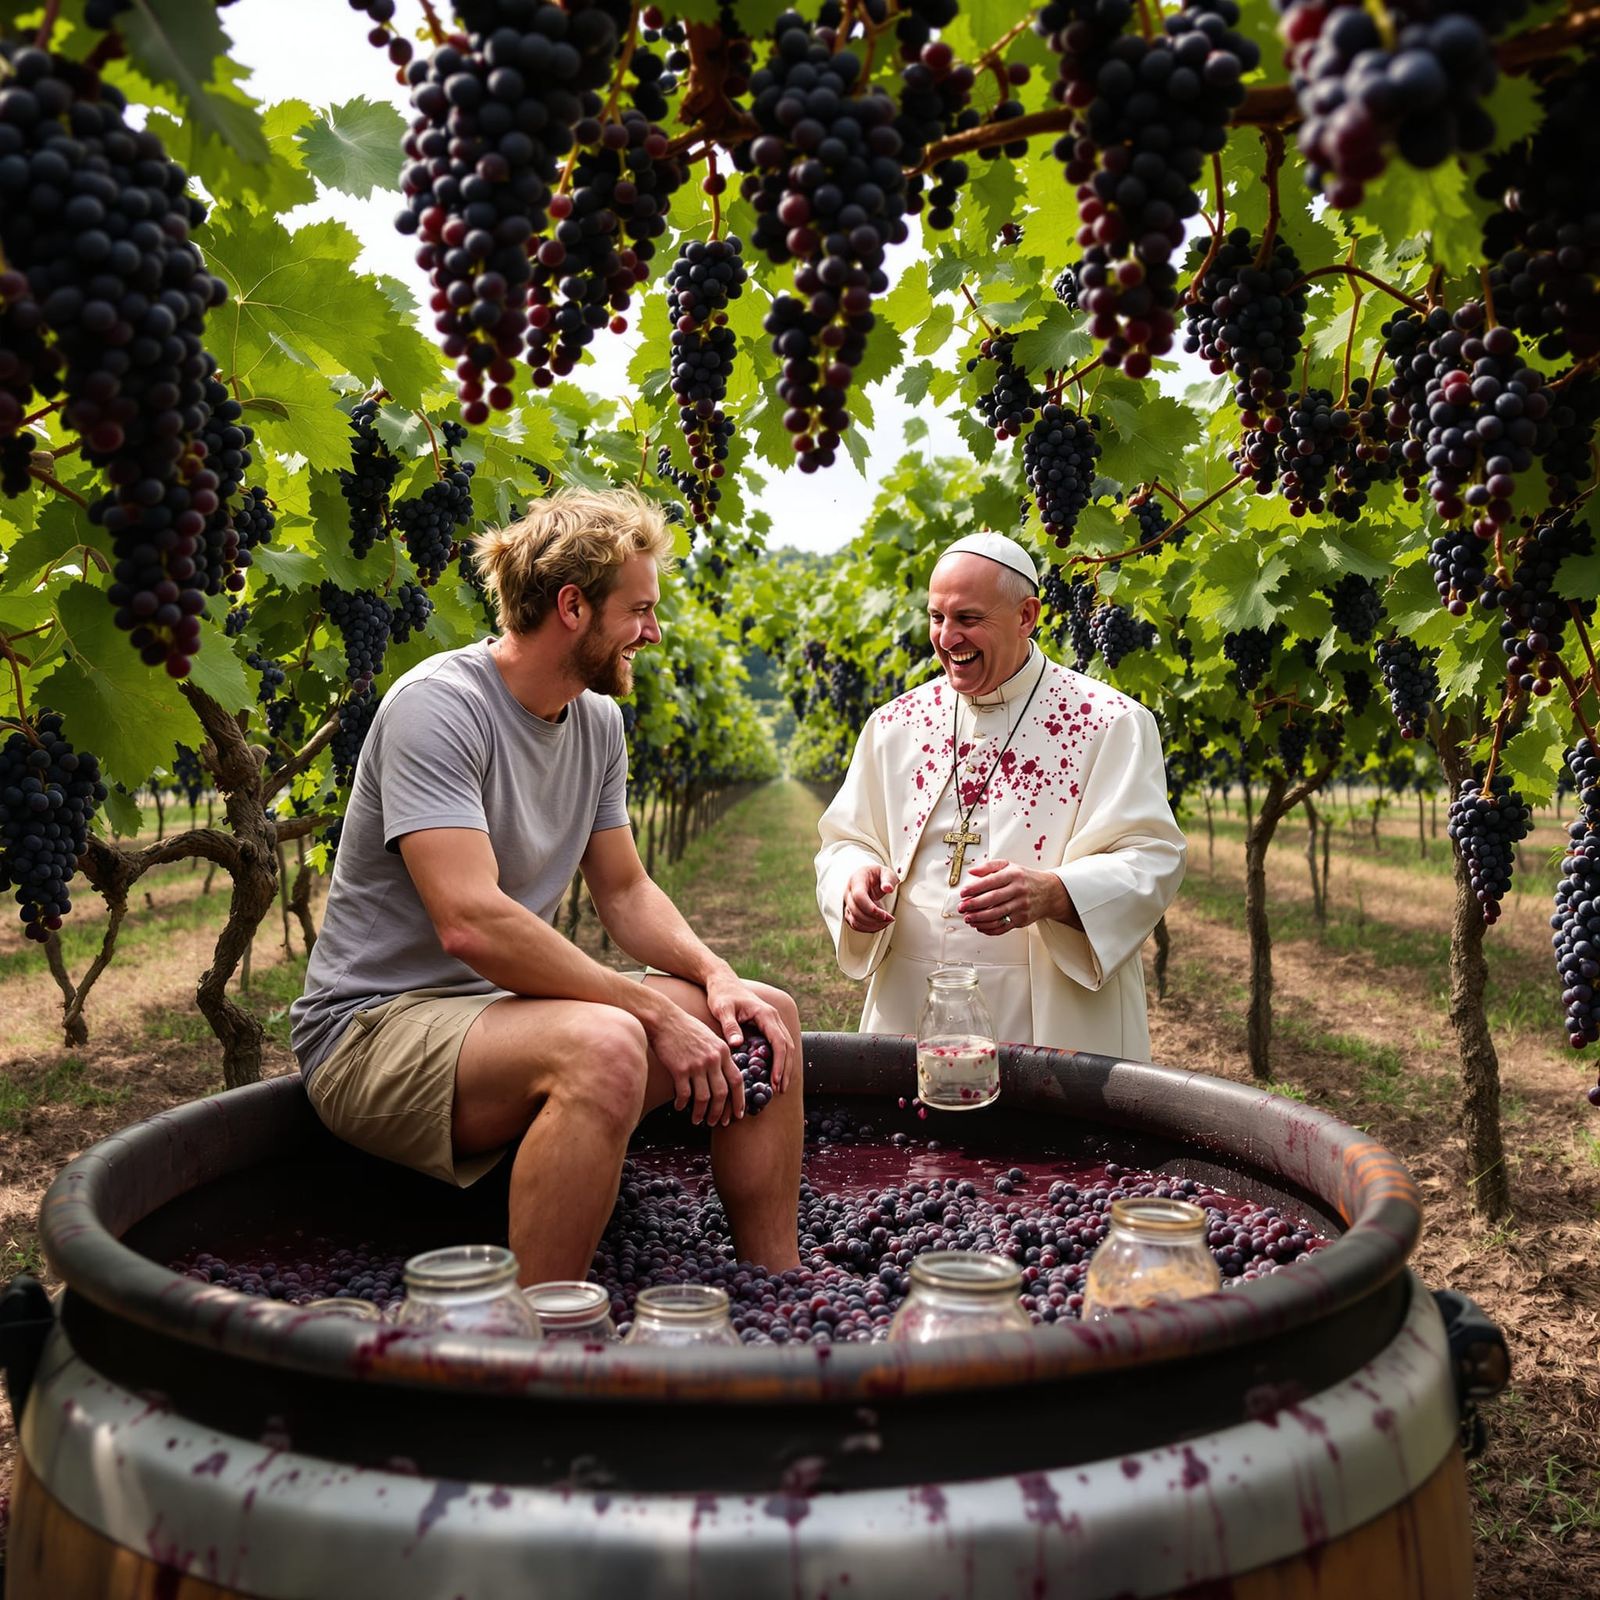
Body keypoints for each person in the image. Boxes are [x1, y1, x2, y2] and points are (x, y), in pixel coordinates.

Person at [290, 486, 803, 1284]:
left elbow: (626, 892)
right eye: (639, 609)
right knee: (605, 1045)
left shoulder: (596, 722)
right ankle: (534, 1344)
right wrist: (640, 1006)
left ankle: (776, 1286)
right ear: (573, 606)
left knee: (768, 1017)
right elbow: (471, 922)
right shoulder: (441, 708)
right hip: (372, 1031)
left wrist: (715, 975)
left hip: (497, 1016)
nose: (653, 632)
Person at [814, 530, 1185, 1060]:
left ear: (1026, 615)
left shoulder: (1109, 723)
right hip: (909, 1004)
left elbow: (1153, 857)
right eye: (936, 617)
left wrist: (1055, 892)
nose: (946, 637)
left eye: (967, 619)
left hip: (1049, 1017)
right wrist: (854, 878)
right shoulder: (895, 724)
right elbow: (844, 840)